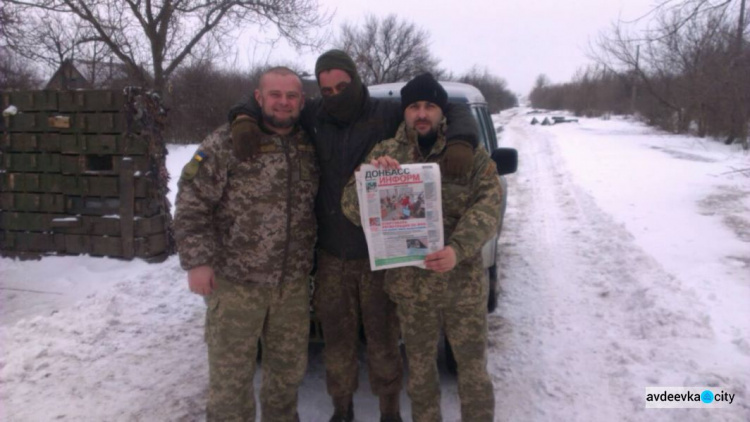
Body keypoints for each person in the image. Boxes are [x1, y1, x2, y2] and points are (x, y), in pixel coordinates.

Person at [228, 50, 480, 422]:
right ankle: (341, 410)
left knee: (383, 344)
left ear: (356, 80)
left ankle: (389, 411)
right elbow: (263, 98)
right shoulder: (314, 115)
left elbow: (446, 109)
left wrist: (461, 139)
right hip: (331, 256)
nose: (334, 94)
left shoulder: (386, 113)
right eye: (326, 88)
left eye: (341, 86)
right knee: (337, 345)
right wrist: (243, 118)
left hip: (382, 257)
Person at [342, 73, 503, 422]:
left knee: (472, 371)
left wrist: (458, 248)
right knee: (420, 373)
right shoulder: (385, 153)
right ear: (405, 112)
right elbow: (351, 210)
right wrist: (369, 180)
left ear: (442, 111)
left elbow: (489, 206)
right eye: (414, 106)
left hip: (461, 285)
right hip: (412, 289)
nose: (422, 113)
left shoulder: (469, 153)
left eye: (430, 105)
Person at [174, 66, 318, 422]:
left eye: (291, 96)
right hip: (236, 284)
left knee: (286, 377)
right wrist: (197, 262)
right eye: (275, 95)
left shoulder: (309, 142)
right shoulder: (226, 142)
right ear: (258, 97)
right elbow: (192, 202)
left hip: (293, 284)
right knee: (230, 380)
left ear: (302, 100)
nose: (283, 103)